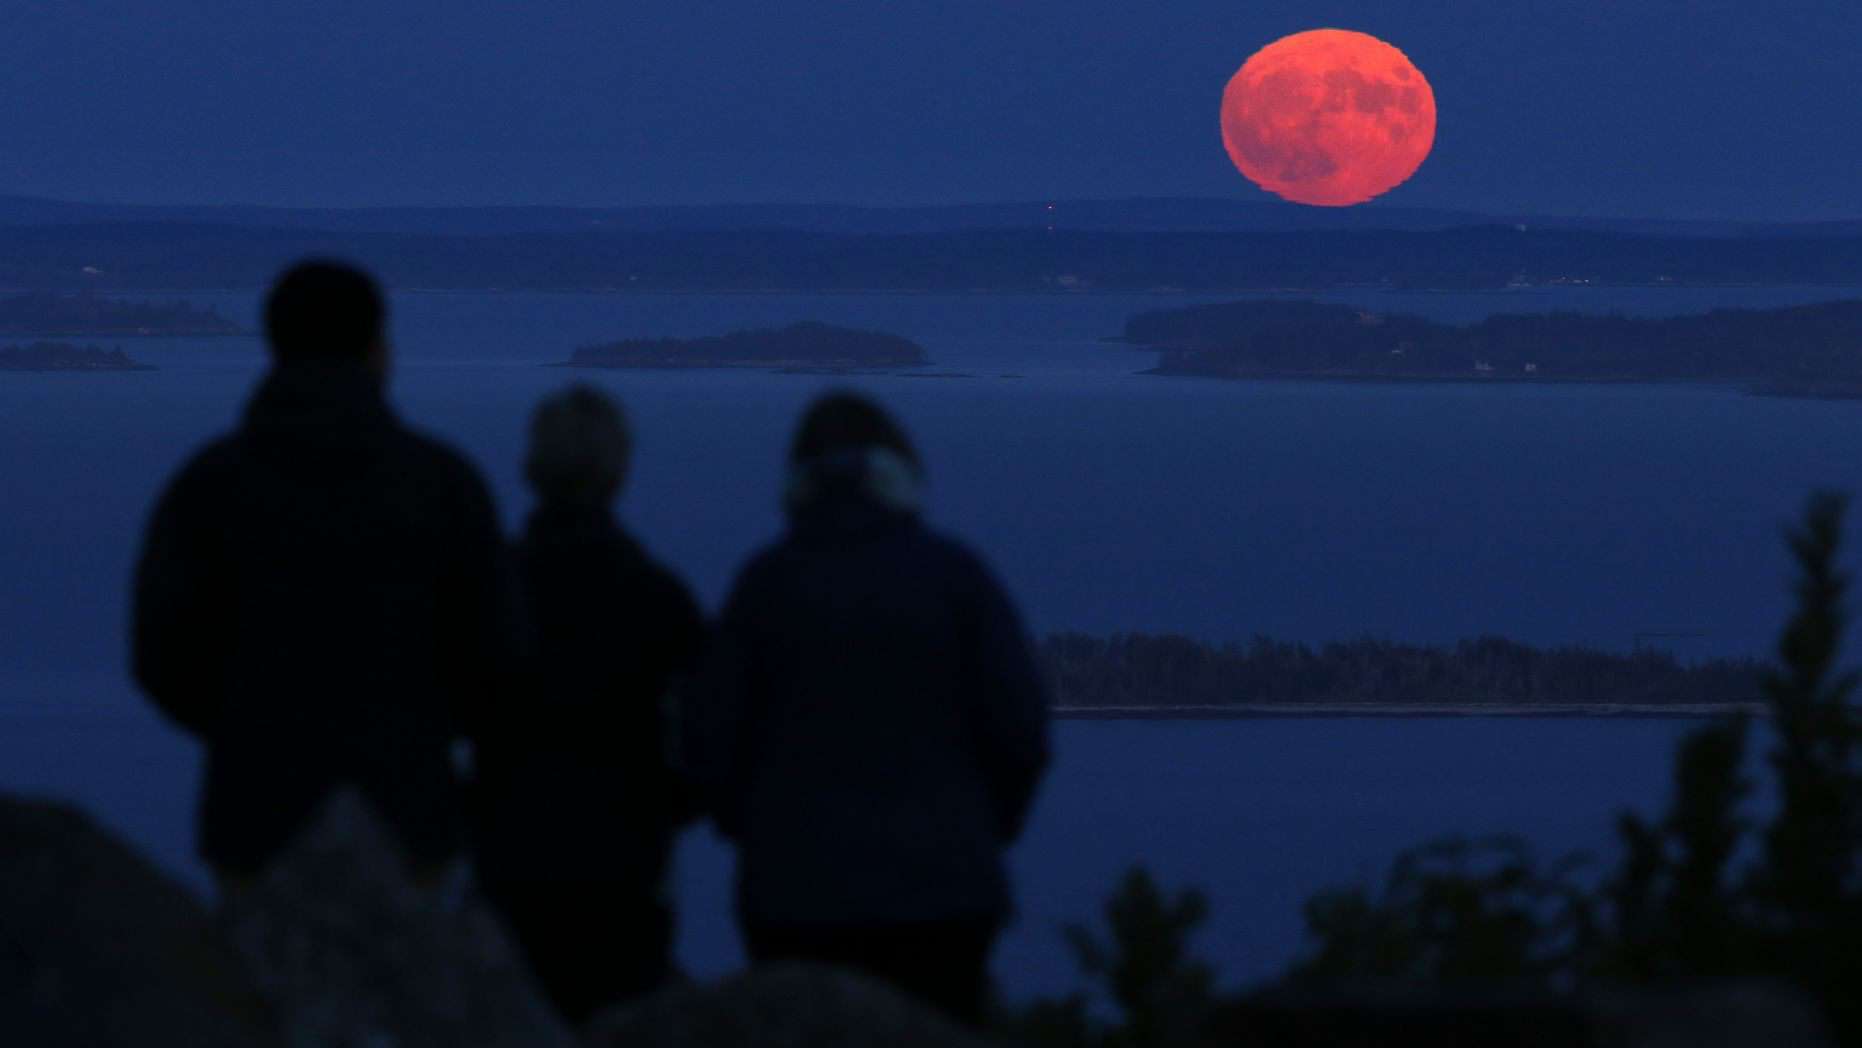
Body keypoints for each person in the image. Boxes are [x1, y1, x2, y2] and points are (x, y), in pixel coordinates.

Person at [131, 260, 521, 886]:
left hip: (257, 811)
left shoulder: (213, 485)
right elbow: (496, 653)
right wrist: (421, 731)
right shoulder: (442, 483)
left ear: (274, 345)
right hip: (407, 809)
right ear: (376, 348)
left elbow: (162, 653)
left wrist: (246, 727)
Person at [687, 391, 1051, 1026]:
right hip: (945, 897)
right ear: (901, 475)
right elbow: (1021, 733)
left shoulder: (765, 586)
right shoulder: (957, 578)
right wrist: (978, 831)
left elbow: (709, 744)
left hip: (794, 899)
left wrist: (757, 831)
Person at [472, 385, 706, 1024]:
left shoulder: (492, 591)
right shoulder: (656, 597)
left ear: (532, 469)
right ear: (618, 472)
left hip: (509, 860)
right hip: (625, 870)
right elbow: (707, 733)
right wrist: (674, 803)